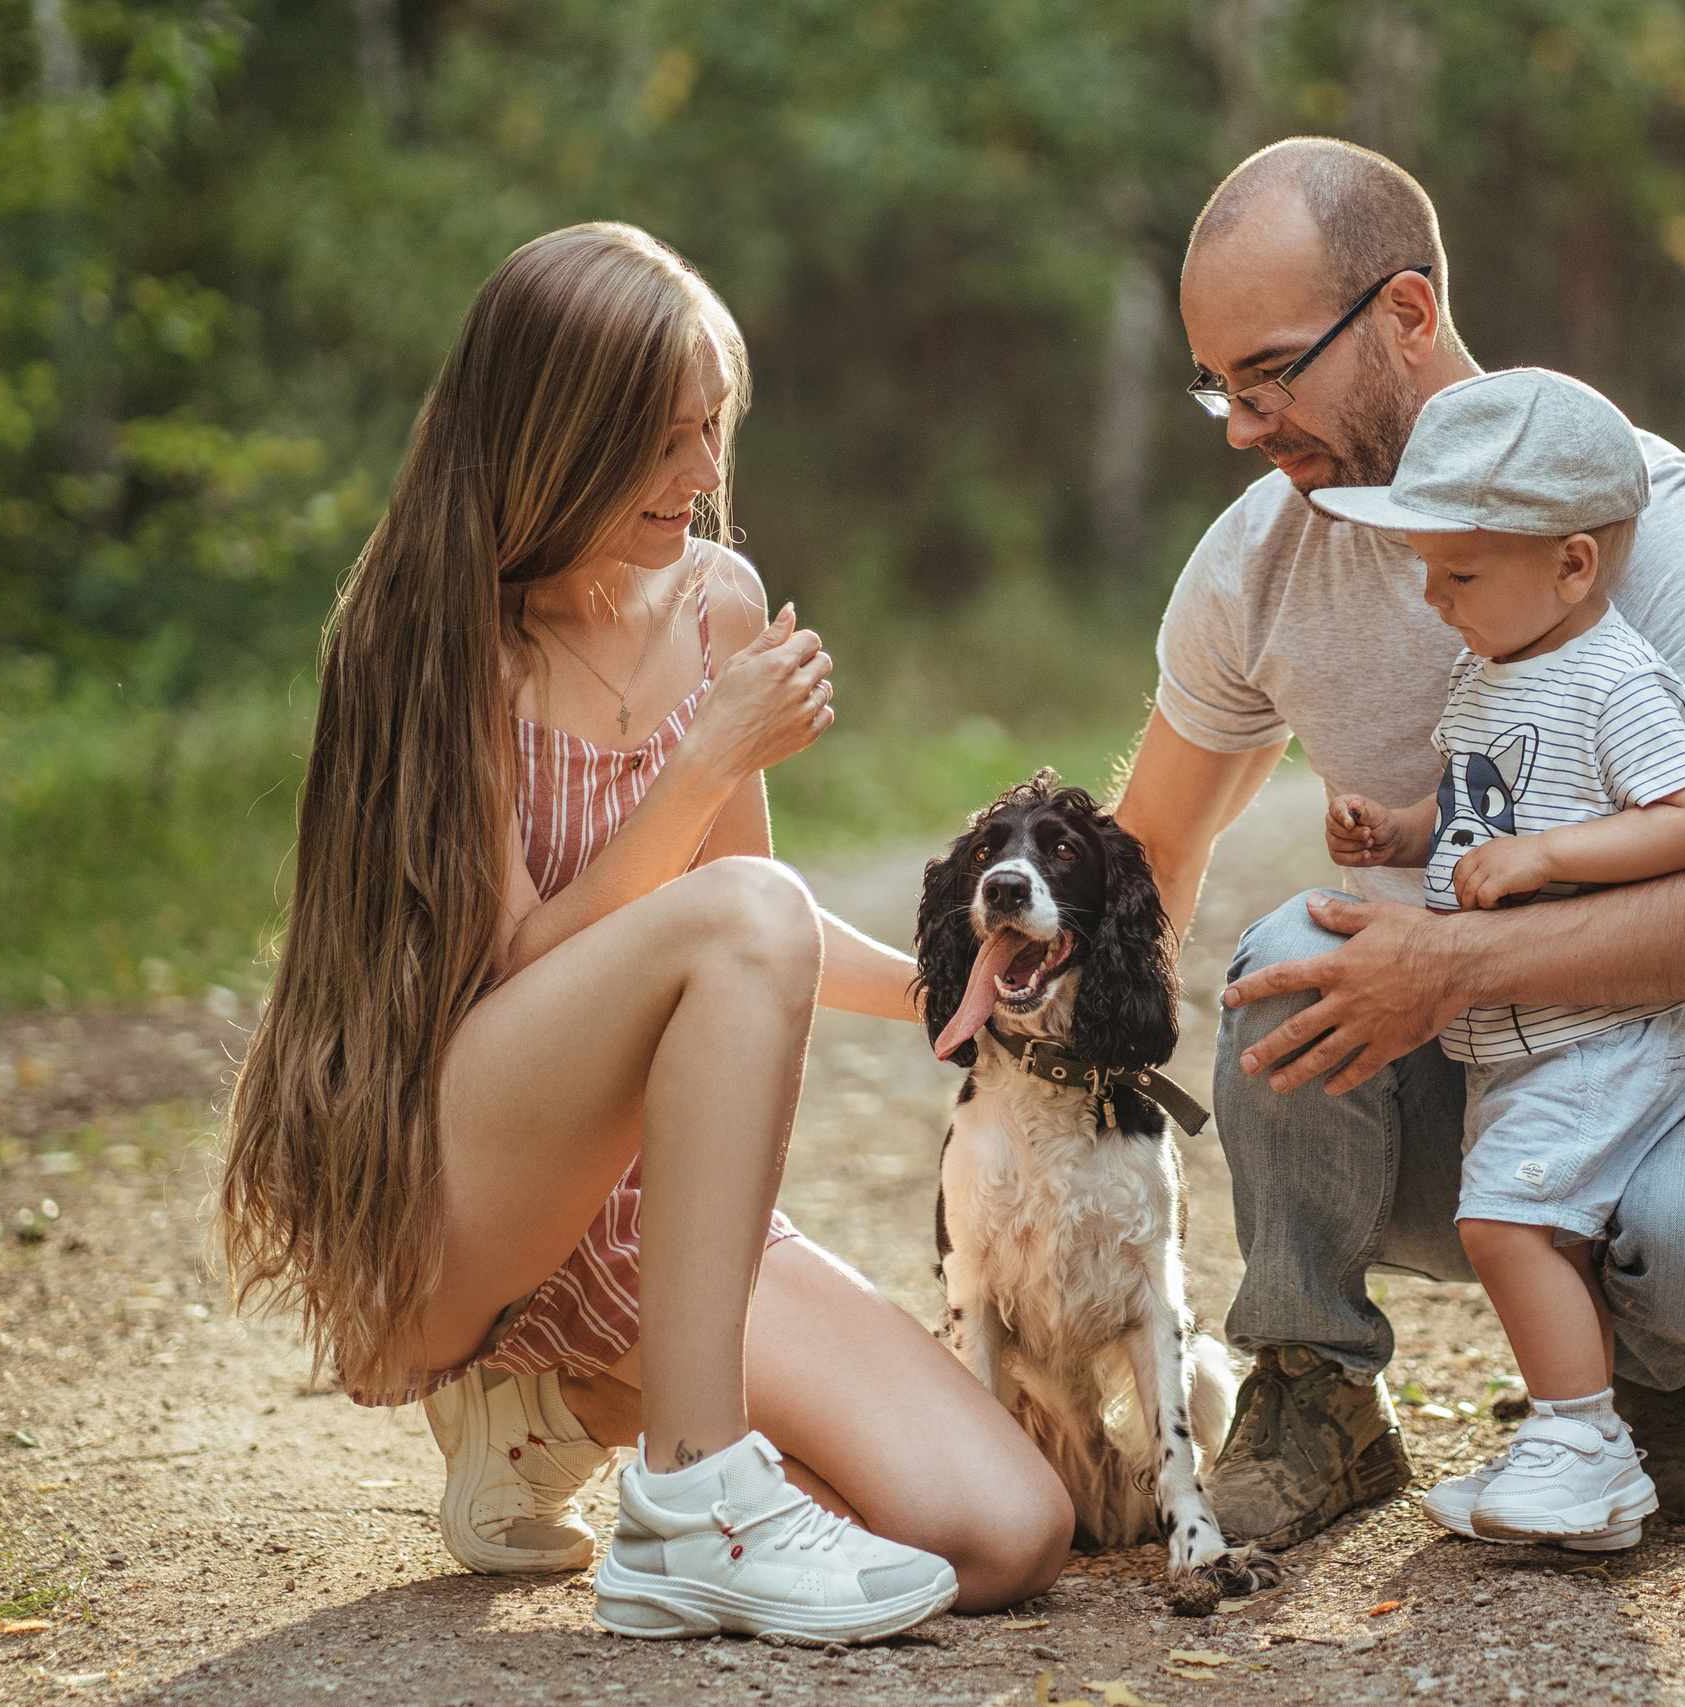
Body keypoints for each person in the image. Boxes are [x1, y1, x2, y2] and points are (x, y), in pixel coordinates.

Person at [218, 223, 1070, 1643]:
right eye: (661, 442)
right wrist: (702, 762)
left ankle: (555, 1409)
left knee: (1004, 1530)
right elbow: (524, 974)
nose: (699, 477)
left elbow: (757, 940)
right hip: (450, 1181)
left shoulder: (717, 604)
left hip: (650, 1221)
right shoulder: (428, 634)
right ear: (555, 438)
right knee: (729, 914)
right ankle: (691, 1498)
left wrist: (956, 991)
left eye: (709, 432)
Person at [1110, 138, 1685, 1553]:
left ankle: (1638, 1382)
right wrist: (1029, 1043)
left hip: (1656, 1073)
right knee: (1288, 958)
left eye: (1271, 371)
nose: (1241, 424)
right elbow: (1149, 851)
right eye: (1220, 383)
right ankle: (1316, 1383)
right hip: (1447, 1103)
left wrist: (1457, 957)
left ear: (1404, 312)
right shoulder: (1258, 560)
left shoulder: (1629, 516)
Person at [1313, 367, 1685, 1549]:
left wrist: (1549, 860)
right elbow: (1468, 813)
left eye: (1457, 574)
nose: (1432, 597)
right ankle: (1569, 1438)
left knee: (1504, 1224)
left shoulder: (1615, 678)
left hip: (1601, 1030)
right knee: (1518, 1220)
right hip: (1516, 1039)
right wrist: (1395, 833)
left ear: (1573, 565)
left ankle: (1586, 1441)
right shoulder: (1489, 676)